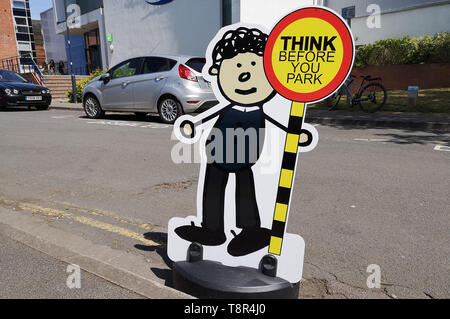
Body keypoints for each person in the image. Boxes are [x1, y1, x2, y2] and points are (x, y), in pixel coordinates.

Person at [174, 27, 305, 257]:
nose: (244, 74)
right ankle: (212, 230)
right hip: (217, 153)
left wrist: (298, 134)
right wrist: (192, 125)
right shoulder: (228, 106)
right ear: (219, 71)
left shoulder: (258, 110)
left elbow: (281, 124)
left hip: (246, 155)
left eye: (254, 66)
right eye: (236, 67)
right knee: (213, 187)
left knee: (246, 187)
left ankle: (252, 230)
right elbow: (206, 116)